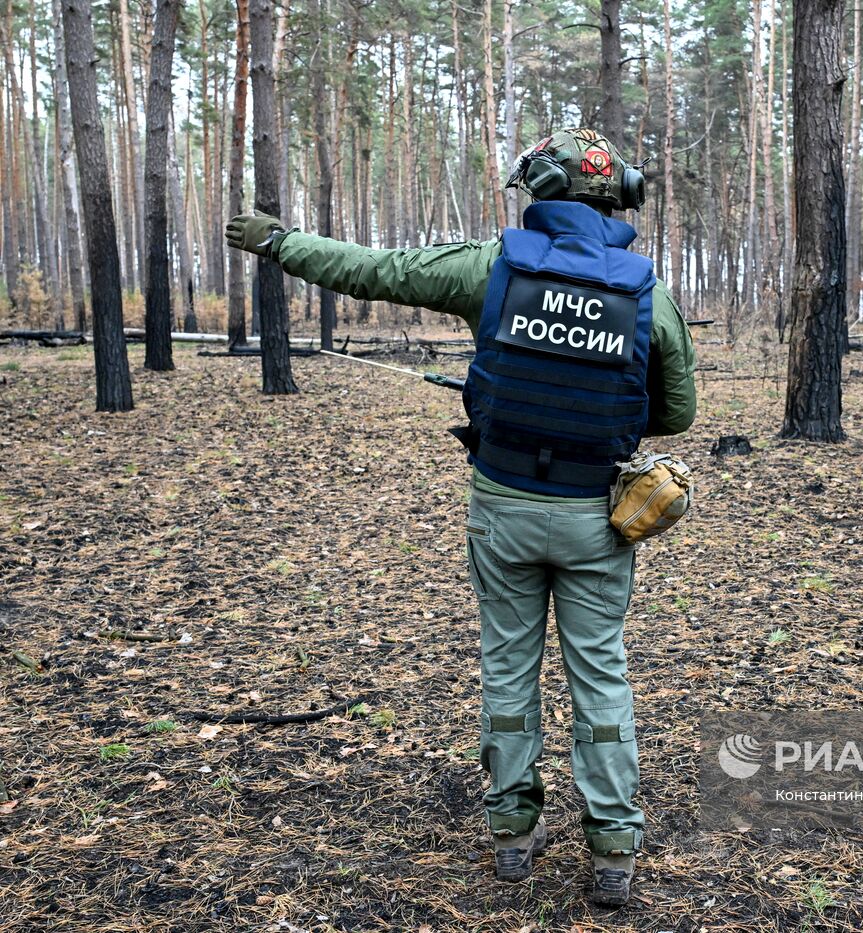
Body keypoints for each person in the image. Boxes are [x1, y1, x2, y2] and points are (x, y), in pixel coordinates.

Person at [226, 128, 696, 906]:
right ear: (616, 197)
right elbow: (676, 411)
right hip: (596, 516)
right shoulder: (648, 292)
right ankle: (614, 844)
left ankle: (512, 833)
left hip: (503, 509)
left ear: (542, 193)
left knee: (508, 665)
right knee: (600, 674)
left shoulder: (493, 265)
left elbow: (375, 270)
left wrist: (281, 243)